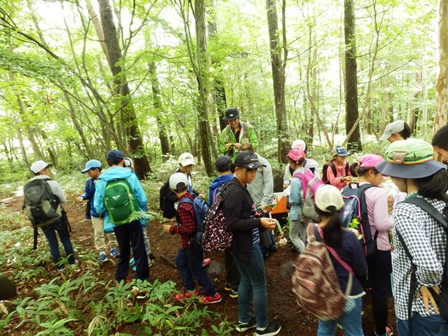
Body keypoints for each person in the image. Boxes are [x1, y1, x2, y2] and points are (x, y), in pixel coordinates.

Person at [376, 139, 448, 335]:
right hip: (443, 304)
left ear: (404, 175)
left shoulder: (406, 210)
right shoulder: (442, 200)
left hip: (420, 308)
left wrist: (427, 282)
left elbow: (430, 265)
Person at [223, 150, 281, 336]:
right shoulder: (235, 191)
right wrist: (259, 222)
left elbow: (241, 215)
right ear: (237, 169)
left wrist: (257, 213)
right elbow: (231, 224)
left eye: (256, 169)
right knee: (259, 283)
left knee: (247, 281)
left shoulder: (239, 187)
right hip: (246, 246)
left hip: (240, 245)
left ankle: (244, 321)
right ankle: (263, 327)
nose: (253, 173)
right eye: (249, 170)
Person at [349, 154, 395, 336]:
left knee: (357, 287)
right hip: (378, 248)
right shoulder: (378, 192)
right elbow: (382, 224)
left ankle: (355, 329)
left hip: (355, 247)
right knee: (379, 292)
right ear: (370, 172)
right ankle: (380, 331)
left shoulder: (348, 188)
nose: (382, 180)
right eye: (380, 175)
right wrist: (397, 218)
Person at [312, 185, 367, 336]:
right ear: (342, 207)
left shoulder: (312, 232)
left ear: (316, 208)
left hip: (324, 293)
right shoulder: (349, 237)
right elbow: (361, 270)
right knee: (354, 332)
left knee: (325, 330)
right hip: (349, 293)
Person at [162, 173, 222, 304]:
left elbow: (189, 230)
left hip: (192, 242)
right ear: (187, 185)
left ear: (172, 190)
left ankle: (213, 294)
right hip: (195, 240)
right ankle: (190, 290)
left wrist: (171, 229)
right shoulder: (192, 197)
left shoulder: (183, 206)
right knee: (180, 262)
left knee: (196, 268)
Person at [93, 150, 149, 285]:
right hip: (133, 217)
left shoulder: (102, 179)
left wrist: (111, 212)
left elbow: (98, 206)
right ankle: (142, 282)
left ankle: (120, 278)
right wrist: (142, 213)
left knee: (123, 249)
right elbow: (142, 198)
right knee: (139, 249)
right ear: (122, 161)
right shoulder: (130, 175)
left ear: (107, 163)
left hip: (117, 220)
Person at [27, 160, 77, 271]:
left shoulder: (28, 185)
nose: (48, 170)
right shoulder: (53, 183)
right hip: (56, 217)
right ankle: (72, 262)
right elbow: (63, 200)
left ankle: (60, 267)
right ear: (42, 171)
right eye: (47, 168)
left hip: (40, 219)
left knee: (52, 242)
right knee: (65, 239)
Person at [76, 159, 120, 261]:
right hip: (95, 212)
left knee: (111, 231)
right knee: (98, 232)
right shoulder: (89, 182)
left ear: (96, 170)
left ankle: (114, 248)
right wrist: (82, 197)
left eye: (89, 171)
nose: (88, 174)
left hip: (108, 211)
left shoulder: (106, 179)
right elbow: (88, 194)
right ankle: (101, 252)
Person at [209, 156, 239, 298]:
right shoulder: (235, 183)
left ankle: (229, 282)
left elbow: (212, 207)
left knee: (228, 253)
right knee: (236, 255)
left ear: (216, 170)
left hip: (221, 226)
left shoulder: (213, 187)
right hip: (234, 223)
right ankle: (236, 287)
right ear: (231, 167)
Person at [240, 143, 277, 258]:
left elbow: (268, 183)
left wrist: (265, 202)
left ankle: (266, 248)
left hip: (261, 200)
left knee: (262, 224)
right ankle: (271, 245)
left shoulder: (263, 163)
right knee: (259, 224)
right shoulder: (244, 165)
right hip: (251, 199)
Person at [122, 157, 153, 270]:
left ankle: (147, 256)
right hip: (127, 213)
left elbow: (142, 199)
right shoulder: (121, 178)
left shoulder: (132, 177)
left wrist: (143, 215)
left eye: (127, 167)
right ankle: (136, 256)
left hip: (138, 212)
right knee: (131, 237)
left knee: (142, 235)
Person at [380, 120, 412, 207]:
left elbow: (399, 175)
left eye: (389, 138)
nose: (388, 141)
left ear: (395, 135)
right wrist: (393, 192)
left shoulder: (400, 152)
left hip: (407, 201)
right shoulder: (416, 149)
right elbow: (399, 176)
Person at [287, 149, 308, 253]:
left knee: (293, 236)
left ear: (292, 162)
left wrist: (288, 196)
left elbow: (295, 199)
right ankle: (309, 255)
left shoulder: (295, 179)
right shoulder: (307, 173)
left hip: (298, 212)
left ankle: (305, 257)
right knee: (304, 233)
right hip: (308, 210)